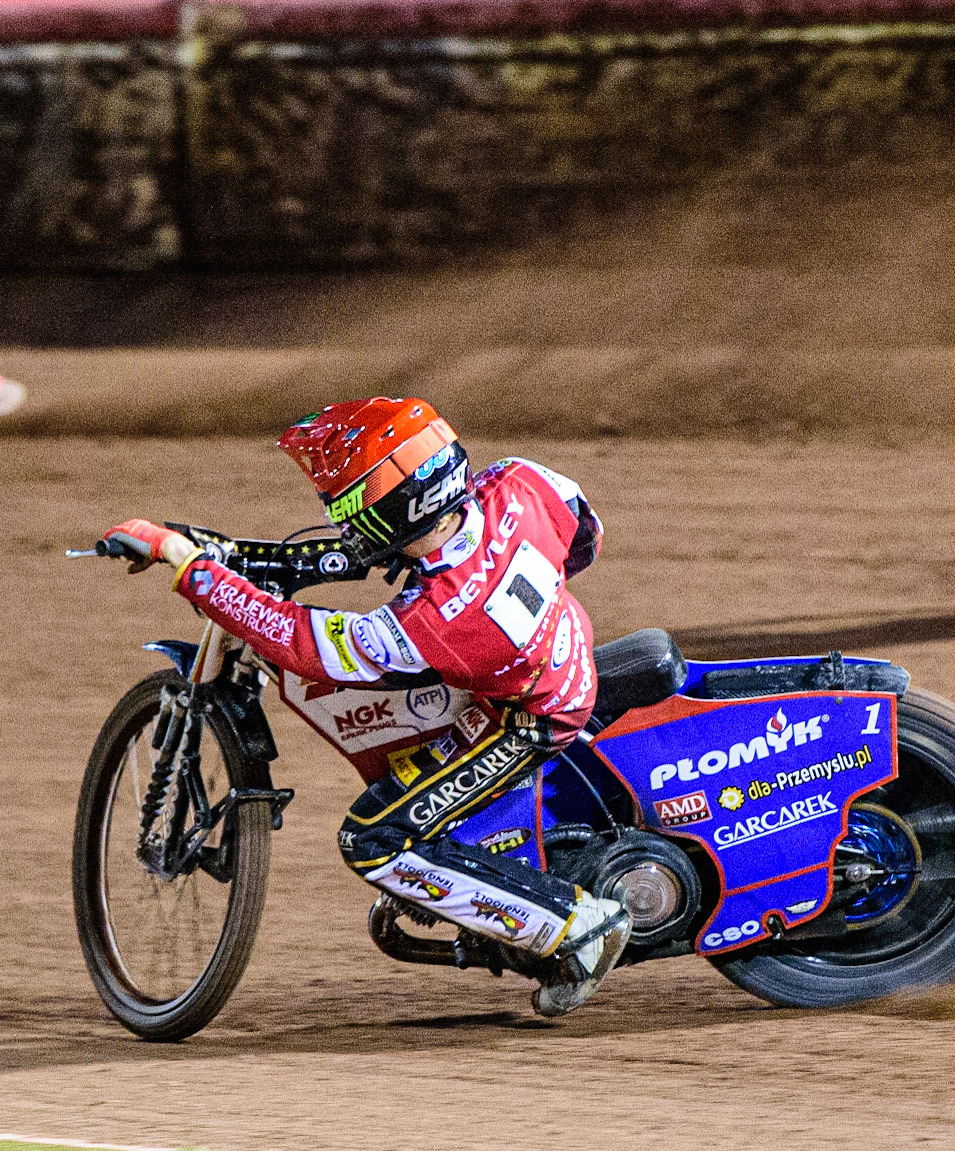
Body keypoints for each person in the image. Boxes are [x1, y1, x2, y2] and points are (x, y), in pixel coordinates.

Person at [103, 396, 630, 1018]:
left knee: (374, 839)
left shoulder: (431, 623)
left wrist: (192, 569)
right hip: (558, 648)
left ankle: (576, 929)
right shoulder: (519, 481)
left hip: (529, 717)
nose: (342, 522)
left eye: (349, 507)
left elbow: (300, 641)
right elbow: (584, 536)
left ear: (393, 509)